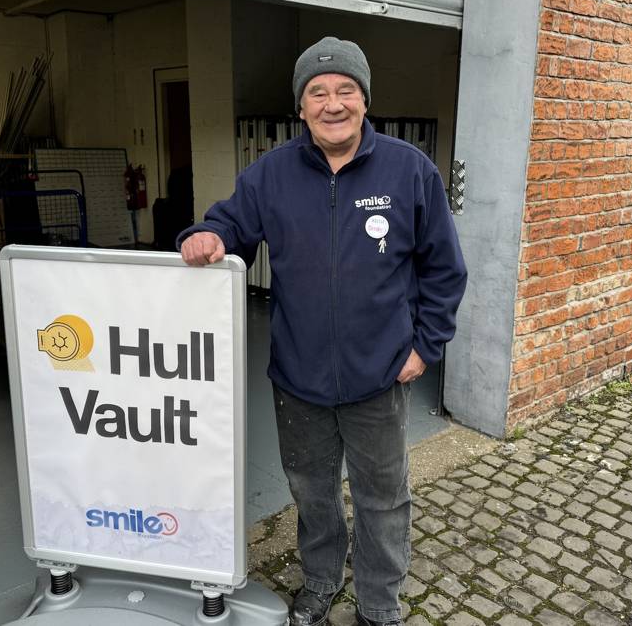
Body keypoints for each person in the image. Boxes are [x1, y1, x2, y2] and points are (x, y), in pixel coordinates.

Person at [178, 36, 467, 626]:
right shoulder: (271, 174)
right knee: (312, 493)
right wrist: (204, 235)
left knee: (383, 498)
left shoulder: (410, 170)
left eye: (345, 90)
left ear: (365, 100)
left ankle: (380, 602)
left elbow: (443, 267)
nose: (333, 103)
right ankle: (320, 581)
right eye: (318, 92)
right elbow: (227, 226)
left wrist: (424, 346)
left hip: (380, 374)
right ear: (301, 106)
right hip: (298, 377)